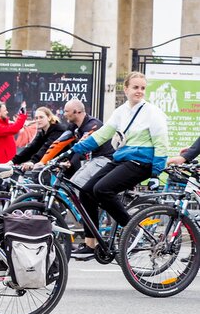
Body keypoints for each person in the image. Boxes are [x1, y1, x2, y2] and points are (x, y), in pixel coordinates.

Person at [61, 72, 169, 259]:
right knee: (86, 191)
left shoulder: (152, 112)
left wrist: (156, 173)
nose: (139, 91)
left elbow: (162, 143)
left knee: (102, 190)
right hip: (122, 159)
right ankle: (91, 243)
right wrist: (73, 150)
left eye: (142, 88)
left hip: (141, 162)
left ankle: (133, 231)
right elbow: (102, 135)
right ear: (126, 89)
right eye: (135, 87)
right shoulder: (121, 112)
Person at [39, 98, 114, 171]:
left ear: (76, 112)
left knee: (77, 181)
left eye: (66, 111)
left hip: (103, 159)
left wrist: (67, 162)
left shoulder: (92, 125)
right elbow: (59, 143)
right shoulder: (74, 126)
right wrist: (43, 162)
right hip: (90, 160)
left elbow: (81, 147)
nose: (64, 114)